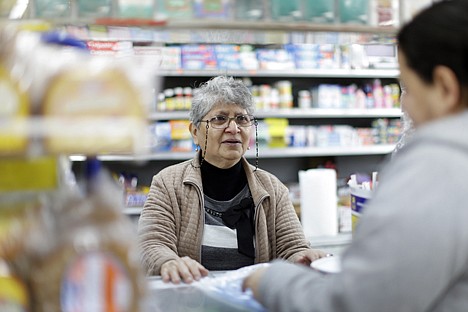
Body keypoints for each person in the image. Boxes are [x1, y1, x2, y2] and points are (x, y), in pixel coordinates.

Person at [243, 1, 468, 311]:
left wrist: (270, 281)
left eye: (410, 89)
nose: (405, 107)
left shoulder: (437, 169)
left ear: (444, 87)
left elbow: (362, 304)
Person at [138, 76, 326, 284]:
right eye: (219, 119)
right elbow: (151, 245)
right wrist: (168, 262)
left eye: (242, 119)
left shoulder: (272, 189)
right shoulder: (168, 183)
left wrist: (303, 258)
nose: (234, 128)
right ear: (194, 132)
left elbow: (292, 247)